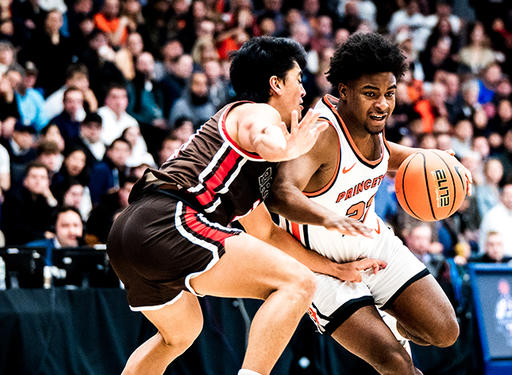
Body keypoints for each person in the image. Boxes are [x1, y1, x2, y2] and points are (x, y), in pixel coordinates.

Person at [106, 36, 382, 375]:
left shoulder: (242, 160)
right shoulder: (256, 112)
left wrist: (336, 269)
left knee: (179, 335)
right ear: (275, 84)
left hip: (129, 235)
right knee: (296, 283)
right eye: (297, 80)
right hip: (170, 220)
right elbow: (265, 137)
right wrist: (286, 151)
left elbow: (267, 233)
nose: (302, 91)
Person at [268, 33, 469, 375]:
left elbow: (384, 155)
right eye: (371, 94)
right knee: (397, 365)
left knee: (446, 332)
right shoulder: (321, 133)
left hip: (374, 246)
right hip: (323, 266)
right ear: (343, 91)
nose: (383, 105)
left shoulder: (368, 123)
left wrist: (434, 158)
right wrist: (328, 219)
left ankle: (395, 319)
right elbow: (281, 193)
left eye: (389, 94)